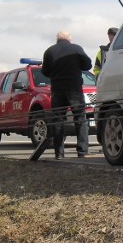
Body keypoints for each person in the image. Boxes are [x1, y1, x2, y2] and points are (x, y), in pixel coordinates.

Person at [41, 31, 92, 159]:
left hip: (57, 89)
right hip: (74, 89)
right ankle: (82, 151)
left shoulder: (49, 51)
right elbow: (88, 65)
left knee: (58, 120)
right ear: (69, 39)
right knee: (80, 118)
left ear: (57, 39)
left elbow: (45, 71)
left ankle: (59, 153)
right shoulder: (77, 48)